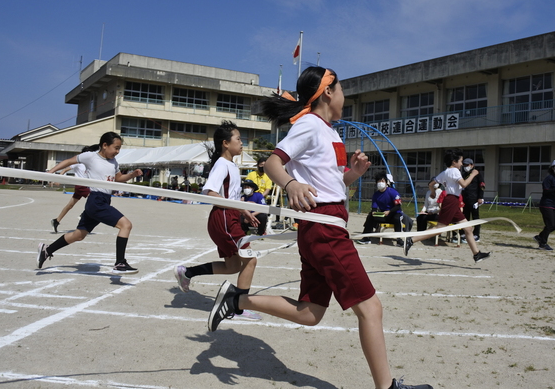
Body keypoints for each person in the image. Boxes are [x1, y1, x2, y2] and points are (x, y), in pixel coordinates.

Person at [206, 67, 433, 389]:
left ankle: (237, 301)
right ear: (328, 91)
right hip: (324, 230)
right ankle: (387, 387)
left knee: (309, 313)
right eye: (341, 89)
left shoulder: (330, 131)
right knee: (370, 307)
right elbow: (273, 162)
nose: (344, 97)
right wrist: (291, 184)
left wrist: (352, 174)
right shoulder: (310, 125)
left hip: (321, 228)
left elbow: (329, 186)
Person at [174, 120, 261, 321]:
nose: (242, 143)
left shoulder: (230, 165)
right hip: (223, 217)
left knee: (233, 266)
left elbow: (229, 196)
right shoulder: (222, 164)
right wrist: (237, 208)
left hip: (228, 217)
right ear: (225, 143)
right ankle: (237, 308)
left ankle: (187, 272)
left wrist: (243, 211)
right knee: (250, 260)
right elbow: (210, 192)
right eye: (238, 139)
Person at [37, 132, 143, 274]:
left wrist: (132, 175)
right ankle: (120, 263)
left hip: (104, 199)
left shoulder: (113, 162)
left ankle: (47, 250)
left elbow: (118, 178)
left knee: (79, 235)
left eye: (119, 149)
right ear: (104, 145)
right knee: (126, 225)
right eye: (116, 148)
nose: (117, 152)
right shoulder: (91, 156)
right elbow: (69, 161)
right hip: (96, 200)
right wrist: (50, 172)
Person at [409, 149, 490, 263]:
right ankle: (412, 240)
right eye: (461, 161)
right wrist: (473, 174)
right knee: (439, 229)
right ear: (454, 161)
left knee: (468, 228)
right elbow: (465, 184)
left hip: (453, 201)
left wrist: (432, 192)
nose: (462, 164)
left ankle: (476, 254)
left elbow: (431, 183)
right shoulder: (455, 171)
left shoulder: (445, 172)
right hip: (451, 200)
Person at [357, 172, 413, 247]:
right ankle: (366, 237)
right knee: (370, 216)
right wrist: (374, 212)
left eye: (382, 181)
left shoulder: (393, 192)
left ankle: (399, 240)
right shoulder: (376, 194)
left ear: (386, 183)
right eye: (379, 181)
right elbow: (374, 206)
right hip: (383, 215)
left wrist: (389, 211)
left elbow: (398, 206)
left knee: (397, 218)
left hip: (394, 213)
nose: (380, 183)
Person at [51, 145, 94, 233]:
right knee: (94, 198)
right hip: (80, 185)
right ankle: (84, 214)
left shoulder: (89, 164)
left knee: (70, 205)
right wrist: (58, 178)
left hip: (85, 186)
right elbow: (65, 170)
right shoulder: (78, 163)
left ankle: (56, 221)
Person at [460, 158, 485, 242]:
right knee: (465, 216)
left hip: (474, 198)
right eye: (464, 165)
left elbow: (482, 185)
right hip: (465, 198)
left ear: (472, 165)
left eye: (467, 165)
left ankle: (476, 234)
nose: (466, 167)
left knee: (475, 217)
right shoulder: (463, 174)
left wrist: (480, 197)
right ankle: (465, 233)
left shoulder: (477, 174)